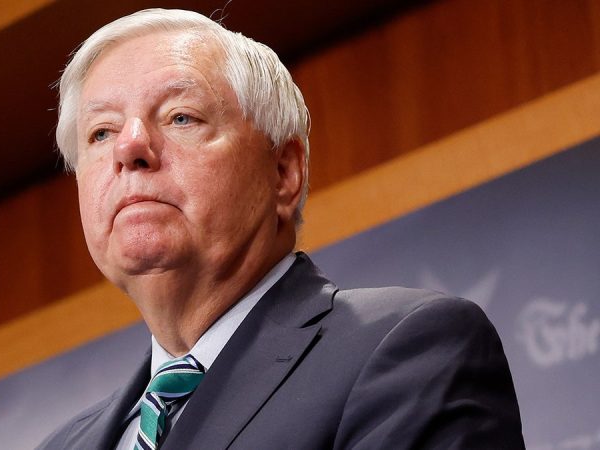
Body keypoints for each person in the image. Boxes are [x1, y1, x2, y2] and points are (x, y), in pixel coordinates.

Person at [38, 8, 525, 450]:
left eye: (180, 117)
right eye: (101, 132)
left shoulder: (408, 351)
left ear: (283, 173)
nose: (129, 147)